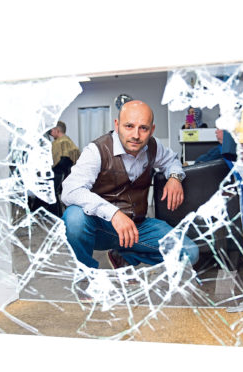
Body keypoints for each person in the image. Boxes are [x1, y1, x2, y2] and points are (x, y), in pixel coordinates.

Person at [61, 100, 199, 269]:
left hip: (138, 226)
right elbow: (70, 190)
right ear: (117, 124)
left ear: (152, 130)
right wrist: (114, 214)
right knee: (74, 217)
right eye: (129, 126)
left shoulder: (153, 147)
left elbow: (172, 160)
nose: (136, 135)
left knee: (189, 252)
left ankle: (125, 256)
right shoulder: (96, 150)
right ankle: (86, 276)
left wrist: (175, 177)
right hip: (100, 227)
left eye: (143, 128)